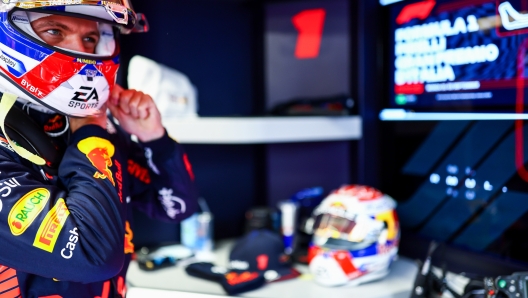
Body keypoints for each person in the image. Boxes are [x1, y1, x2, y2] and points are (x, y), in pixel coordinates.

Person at [0, 1, 198, 297]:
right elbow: (92, 256)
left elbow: (175, 207)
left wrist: (154, 139)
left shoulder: (85, 128)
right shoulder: (89, 130)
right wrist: (91, 130)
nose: (80, 51)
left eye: (90, 39)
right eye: (54, 30)